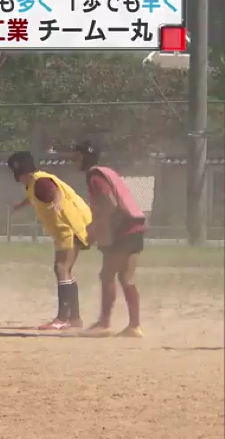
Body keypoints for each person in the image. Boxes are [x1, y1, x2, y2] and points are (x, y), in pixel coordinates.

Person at [8, 151, 92, 331]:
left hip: (68, 228)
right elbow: (32, 198)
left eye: (19, 175)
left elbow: (55, 191)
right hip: (67, 229)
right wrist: (18, 206)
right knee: (66, 270)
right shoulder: (33, 184)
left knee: (61, 268)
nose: (18, 179)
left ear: (26, 172)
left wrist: (56, 202)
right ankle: (74, 319)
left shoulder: (41, 181)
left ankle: (63, 318)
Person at [72, 141, 145, 338]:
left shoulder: (94, 176)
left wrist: (93, 230)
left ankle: (104, 323)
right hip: (136, 226)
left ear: (85, 157)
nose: (73, 160)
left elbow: (110, 205)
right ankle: (134, 326)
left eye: (76, 156)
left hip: (122, 229)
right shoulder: (107, 171)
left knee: (107, 275)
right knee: (126, 277)